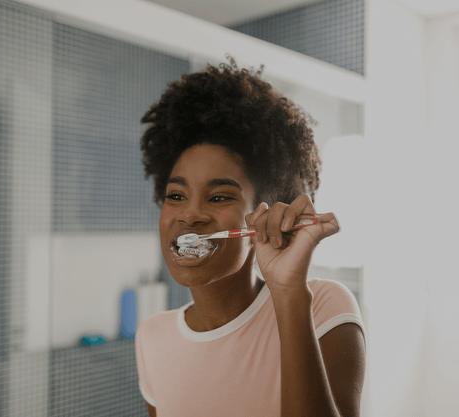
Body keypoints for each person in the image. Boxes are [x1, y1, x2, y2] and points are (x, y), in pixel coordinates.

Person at [135, 57, 366, 417]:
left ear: (264, 215)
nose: (190, 214)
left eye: (219, 197)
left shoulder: (323, 306)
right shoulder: (152, 336)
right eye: (176, 196)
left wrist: (288, 290)